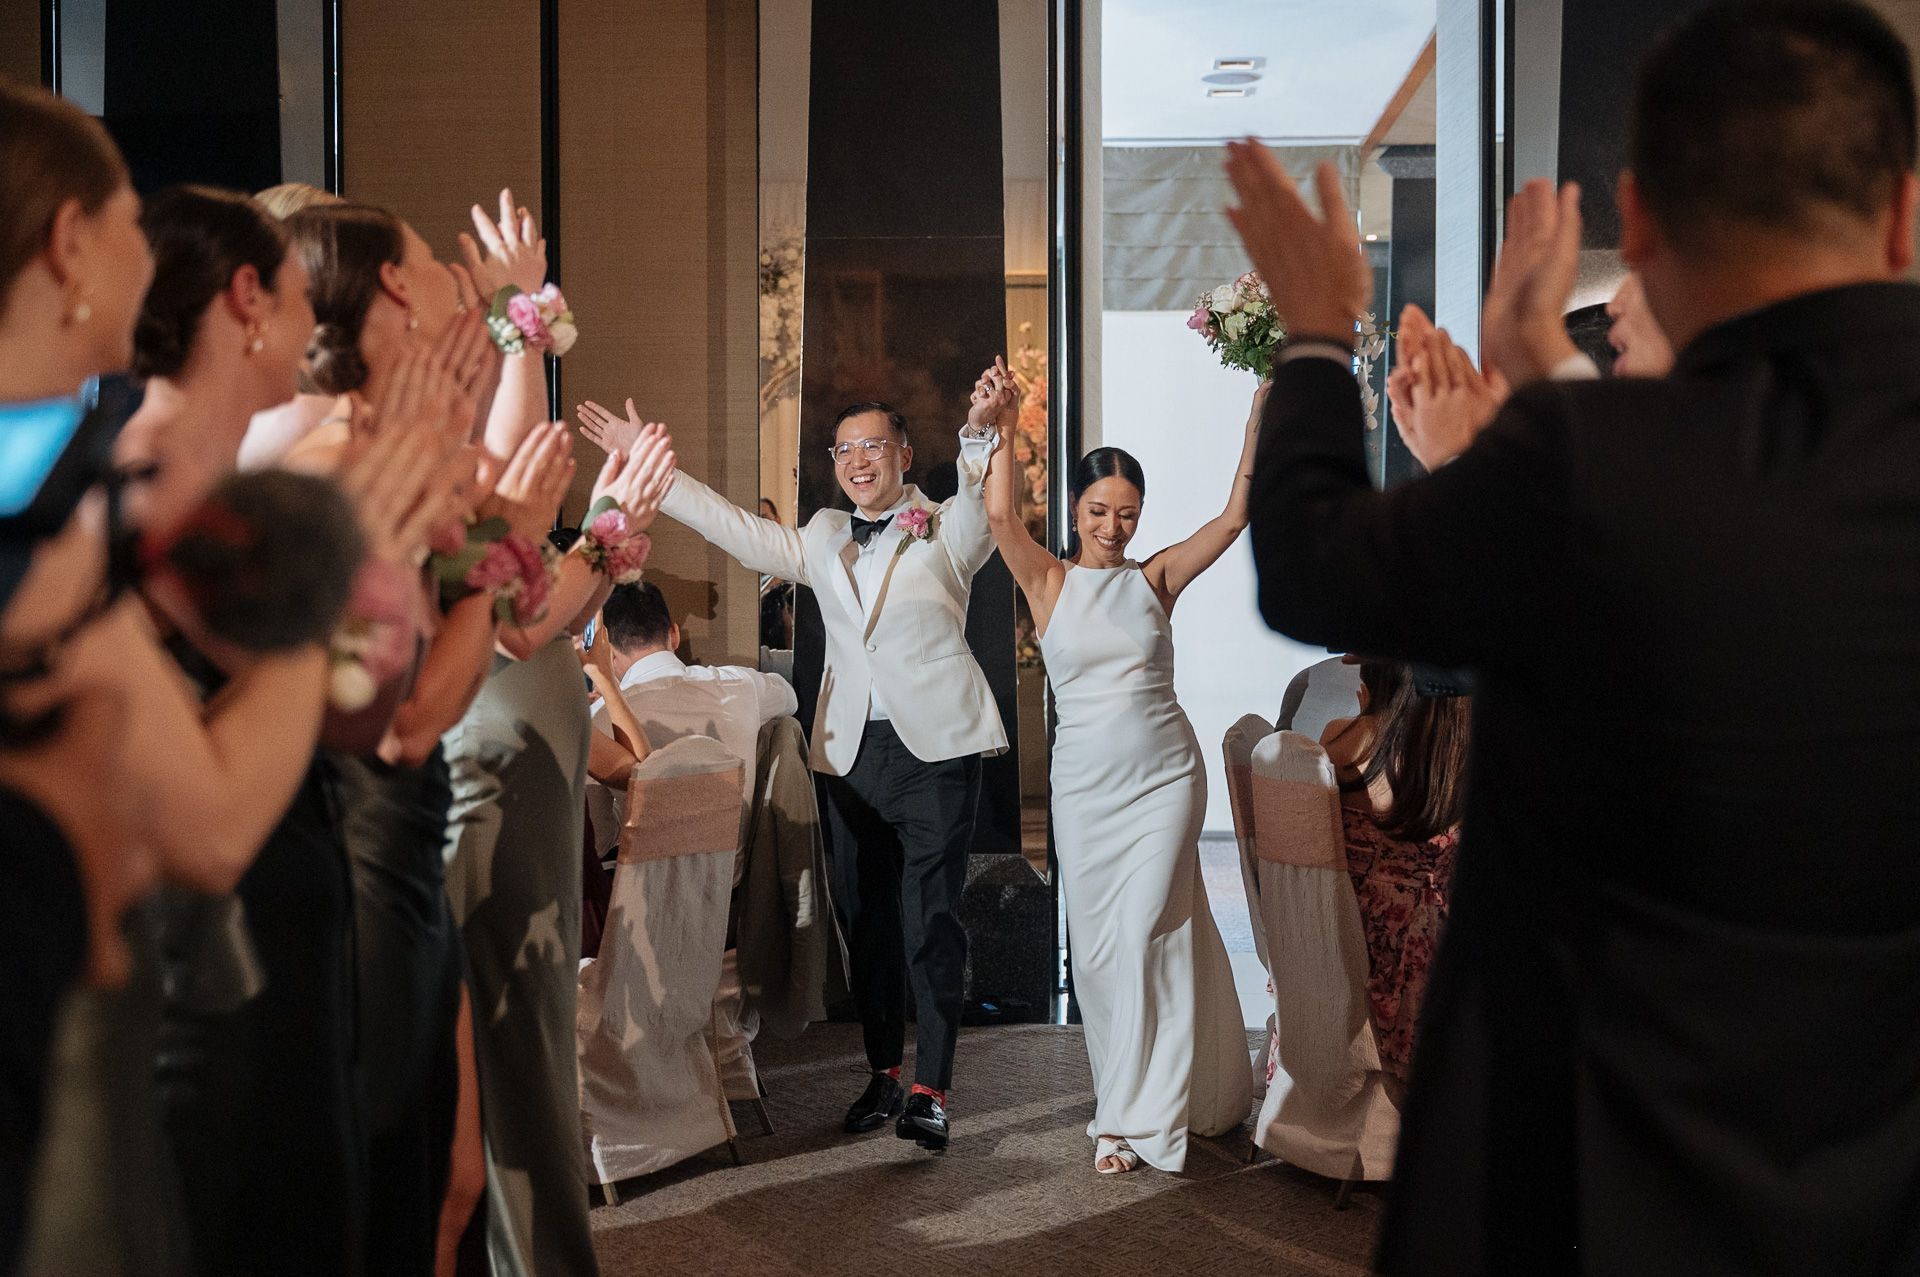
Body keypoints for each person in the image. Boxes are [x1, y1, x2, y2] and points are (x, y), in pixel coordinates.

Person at [1226, 1, 1920, 1270]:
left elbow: (1312, 567)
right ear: (1905, 215)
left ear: (1638, 222)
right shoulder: (1591, 461)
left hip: (1582, 1187)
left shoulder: (1584, 469)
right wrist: (1537, 374)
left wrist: (1319, 330)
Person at [581, 378, 1008, 1153]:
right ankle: (885, 1071)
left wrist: (979, 433)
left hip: (937, 751)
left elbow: (983, 511)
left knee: (931, 919)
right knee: (867, 921)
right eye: (844, 449)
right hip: (849, 753)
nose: (858, 460)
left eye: (874, 445)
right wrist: (652, 469)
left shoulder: (948, 525)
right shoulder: (823, 532)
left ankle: (932, 1090)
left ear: (905, 454)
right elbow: (743, 533)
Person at [978, 363, 1256, 1174]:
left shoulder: (1155, 577)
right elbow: (998, 513)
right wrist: (1005, 426)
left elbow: (1234, 518)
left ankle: (1130, 1120)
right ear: (1075, 508)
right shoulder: (1049, 581)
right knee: (1102, 956)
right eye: (1099, 510)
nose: (1113, 527)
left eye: (1128, 513)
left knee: (1144, 935)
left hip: (1166, 779)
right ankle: (1130, 1096)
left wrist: (1257, 425)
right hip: (1085, 792)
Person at [1319, 661, 1468, 1083]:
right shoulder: (1456, 748)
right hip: (1429, 946)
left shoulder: (1340, 738)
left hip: (1341, 930)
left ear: (1367, 690)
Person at [583, 580, 797, 854]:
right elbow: (789, 698)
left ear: (608, 653)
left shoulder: (598, 721)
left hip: (641, 878)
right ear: (674, 634)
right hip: (732, 875)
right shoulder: (741, 686)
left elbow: (599, 840)